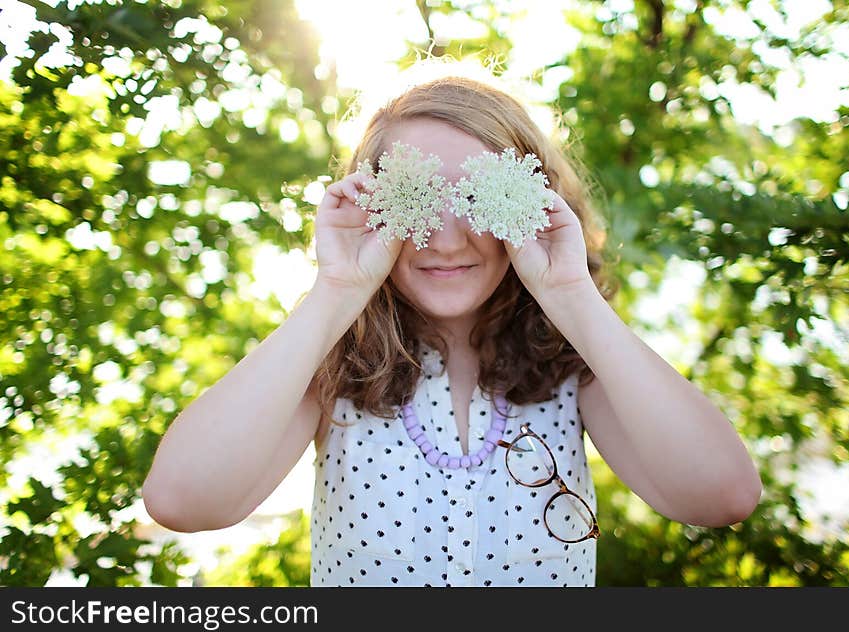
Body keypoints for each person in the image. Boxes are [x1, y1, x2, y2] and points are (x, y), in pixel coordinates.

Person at [142, 72, 763, 587]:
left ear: (535, 202)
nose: (444, 240)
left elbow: (722, 495)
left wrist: (570, 295)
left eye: (478, 198)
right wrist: (335, 292)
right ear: (372, 207)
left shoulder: (574, 370)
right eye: (415, 198)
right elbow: (183, 502)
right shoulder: (335, 368)